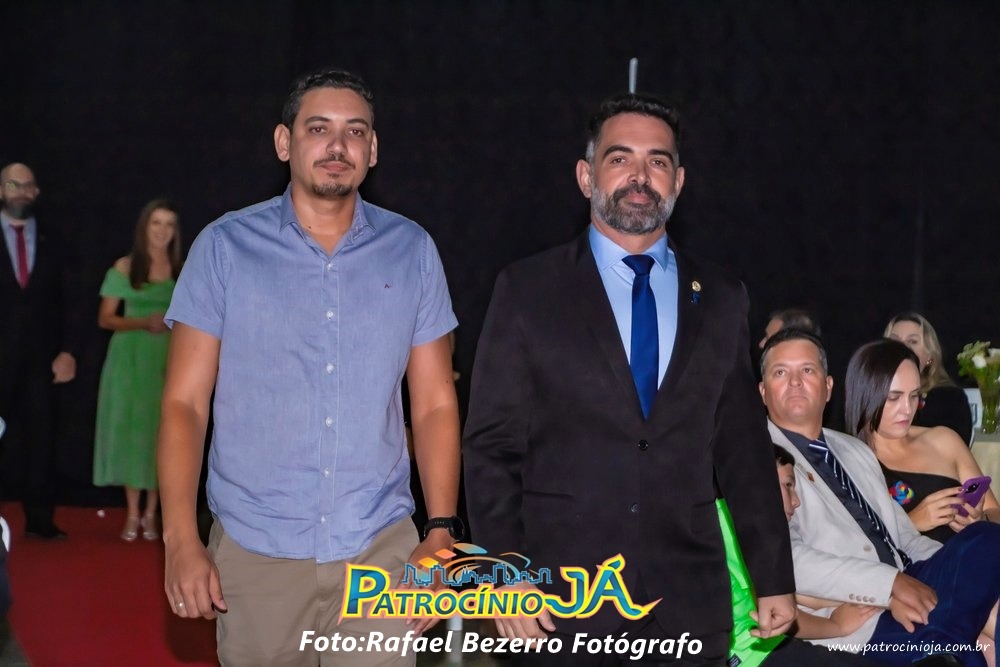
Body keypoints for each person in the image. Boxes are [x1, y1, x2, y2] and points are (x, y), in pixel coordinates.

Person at [464, 92, 796, 665]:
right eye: (620, 158)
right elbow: (492, 447)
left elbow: (743, 448)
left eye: (657, 161)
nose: (640, 176)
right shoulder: (527, 289)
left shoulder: (721, 297)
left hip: (687, 602)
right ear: (585, 175)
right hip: (559, 603)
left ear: (679, 181)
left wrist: (773, 576)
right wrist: (505, 573)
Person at [158, 68, 461, 666]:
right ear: (284, 142)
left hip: (380, 550)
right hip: (256, 550)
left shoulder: (413, 249)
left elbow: (434, 404)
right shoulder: (223, 247)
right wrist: (179, 539)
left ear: (373, 149)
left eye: (355, 131)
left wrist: (442, 531)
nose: (337, 145)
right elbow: (184, 405)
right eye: (318, 128)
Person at [760, 328, 1000, 666]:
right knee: (975, 642)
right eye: (781, 372)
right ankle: (946, 644)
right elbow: (785, 561)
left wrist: (954, 578)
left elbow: (904, 536)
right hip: (858, 610)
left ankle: (945, 637)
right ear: (762, 391)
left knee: (986, 540)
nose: (795, 382)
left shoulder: (853, 449)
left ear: (828, 387)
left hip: (912, 574)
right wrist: (888, 586)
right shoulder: (755, 463)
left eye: (807, 370)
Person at [844, 338, 999, 544]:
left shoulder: (943, 440)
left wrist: (980, 521)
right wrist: (911, 523)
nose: (907, 409)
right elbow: (853, 546)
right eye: (894, 397)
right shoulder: (848, 462)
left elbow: (994, 510)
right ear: (866, 395)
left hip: (973, 552)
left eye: (914, 396)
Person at [0, 162, 81, 540]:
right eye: (13, 184)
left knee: (41, 439)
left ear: (36, 192)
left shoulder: (55, 239)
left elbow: (72, 299)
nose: (21, 191)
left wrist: (69, 351)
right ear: (1, 190)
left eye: (27, 185)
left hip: (41, 360)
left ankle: (39, 519)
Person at [93, 199, 181, 542]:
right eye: (156, 223)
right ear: (145, 227)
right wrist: (143, 322)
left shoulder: (182, 269)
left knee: (160, 434)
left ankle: (151, 513)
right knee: (132, 433)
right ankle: (132, 513)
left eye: (169, 224)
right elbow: (106, 318)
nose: (162, 231)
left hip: (167, 360)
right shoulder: (125, 266)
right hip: (129, 360)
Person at [884, 312, 973, 444]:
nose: (902, 347)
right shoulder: (870, 392)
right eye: (895, 341)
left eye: (912, 341)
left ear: (929, 357)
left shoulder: (949, 397)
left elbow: (950, 447)